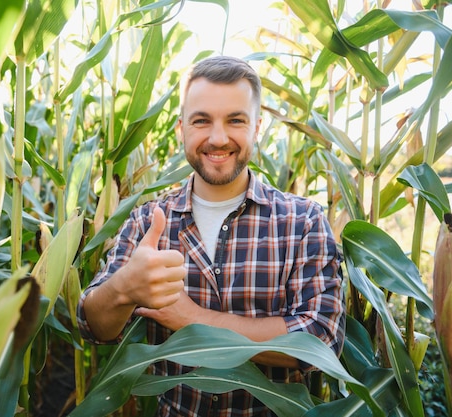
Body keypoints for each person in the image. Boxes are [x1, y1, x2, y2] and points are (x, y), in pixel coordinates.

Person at [77, 55, 345, 417]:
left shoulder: (303, 222)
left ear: (257, 128)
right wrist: (124, 287)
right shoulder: (148, 221)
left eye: (235, 120)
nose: (218, 138)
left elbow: (319, 341)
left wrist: (190, 318)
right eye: (201, 121)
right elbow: (93, 326)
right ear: (180, 129)